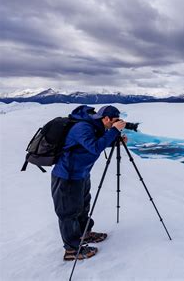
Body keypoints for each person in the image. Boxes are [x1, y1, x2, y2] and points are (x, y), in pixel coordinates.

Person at [51, 105, 127, 261]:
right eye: (115, 121)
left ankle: (83, 234)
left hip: (81, 174)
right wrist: (113, 132)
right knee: (68, 212)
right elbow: (94, 147)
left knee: (83, 205)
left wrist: (115, 142)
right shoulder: (83, 127)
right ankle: (72, 250)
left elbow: (92, 144)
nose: (116, 123)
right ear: (106, 119)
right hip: (67, 175)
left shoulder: (97, 126)